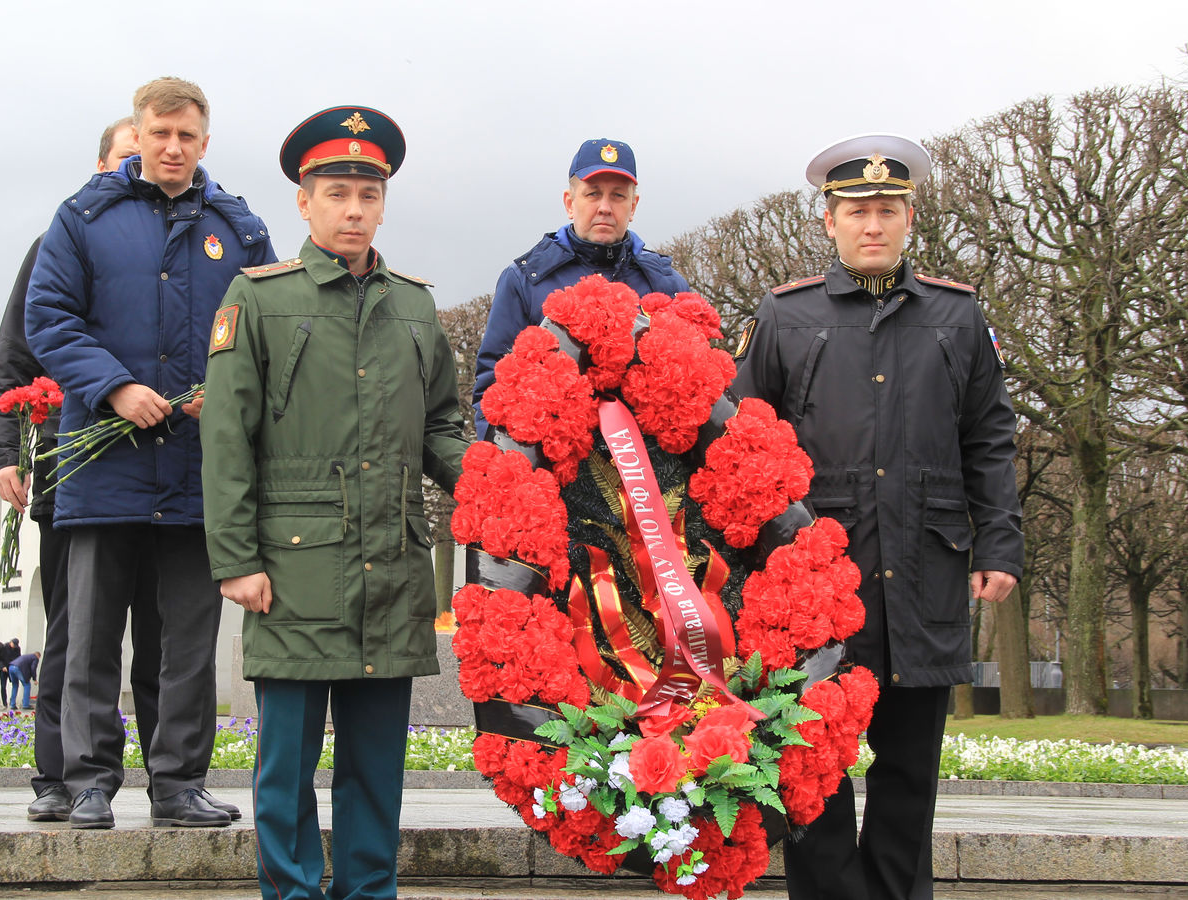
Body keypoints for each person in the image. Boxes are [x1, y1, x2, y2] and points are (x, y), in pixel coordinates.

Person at [730, 134, 1024, 900]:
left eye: (887, 210)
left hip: (926, 569)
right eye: (856, 210)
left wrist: (1000, 543)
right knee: (811, 764)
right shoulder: (785, 316)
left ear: (908, 218)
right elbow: (742, 445)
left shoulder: (957, 318)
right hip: (816, 580)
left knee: (909, 768)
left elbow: (989, 438)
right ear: (828, 220)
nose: (872, 224)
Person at [203, 104, 471, 900]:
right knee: (285, 764)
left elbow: (445, 424)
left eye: (367, 193)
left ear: (383, 201)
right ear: (303, 201)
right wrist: (236, 559)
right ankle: (289, 892)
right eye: (336, 192)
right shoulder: (256, 300)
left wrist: (494, 484)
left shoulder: (416, 306)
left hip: (392, 566)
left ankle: (367, 890)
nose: (353, 209)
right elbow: (226, 438)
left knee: (376, 764)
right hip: (292, 570)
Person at [27, 76, 275, 830]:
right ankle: (91, 779)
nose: (173, 147)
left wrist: (224, 393)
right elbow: (48, 317)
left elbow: (268, 329)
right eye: (160, 133)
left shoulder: (239, 229)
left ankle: (177, 784)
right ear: (139, 134)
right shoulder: (84, 218)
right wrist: (115, 389)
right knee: (93, 637)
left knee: (187, 645)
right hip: (105, 469)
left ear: (205, 141)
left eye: (187, 136)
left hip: (200, 473)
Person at [0, 115, 164, 822]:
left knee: (160, 634)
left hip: (159, 468)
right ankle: (57, 775)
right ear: (100, 166)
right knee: (73, 633)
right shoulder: (58, 243)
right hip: (75, 465)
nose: (137, 170)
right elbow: (13, 358)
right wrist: (3, 450)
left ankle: (169, 779)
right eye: (125, 158)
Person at [471, 138, 689, 436]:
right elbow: (491, 389)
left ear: (633, 206)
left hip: (651, 475)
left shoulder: (667, 284)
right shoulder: (524, 280)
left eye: (617, 196)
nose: (605, 207)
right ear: (570, 203)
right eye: (593, 194)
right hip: (555, 472)